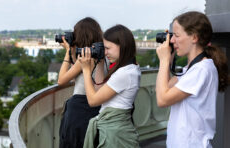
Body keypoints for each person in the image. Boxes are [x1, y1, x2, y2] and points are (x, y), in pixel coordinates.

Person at [156, 11, 229, 148]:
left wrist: (163, 62)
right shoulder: (190, 69)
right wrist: (169, 58)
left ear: (194, 37)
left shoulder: (201, 70)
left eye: (176, 36)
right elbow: (164, 87)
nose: (172, 40)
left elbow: (162, 99)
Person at [78, 24, 141, 148]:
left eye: (108, 48)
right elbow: (99, 90)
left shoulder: (125, 73)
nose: (105, 52)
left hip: (116, 134)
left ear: (122, 46)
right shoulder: (129, 68)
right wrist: (100, 63)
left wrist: (86, 70)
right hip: (115, 130)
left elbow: (92, 100)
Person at [58, 17, 103, 148]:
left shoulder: (84, 59)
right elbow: (77, 76)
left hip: (79, 109)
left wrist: (67, 53)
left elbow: (61, 80)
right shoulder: (102, 55)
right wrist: (73, 53)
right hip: (97, 108)